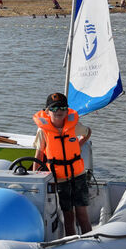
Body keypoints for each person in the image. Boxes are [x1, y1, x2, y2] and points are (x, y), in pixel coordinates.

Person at [33, 92, 93, 236]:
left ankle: (90, 242)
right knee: (68, 216)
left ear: (67, 110)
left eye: (62, 108)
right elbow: (39, 154)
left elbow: (88, 132)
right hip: (59, 179)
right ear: (47, 112)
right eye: (54, 108)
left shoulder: (74, 126)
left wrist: (78, 145)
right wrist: (35, 177)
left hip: (78, 176)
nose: (58, 111)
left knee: (82, 214)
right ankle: (72, 244)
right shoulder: (43, 131)